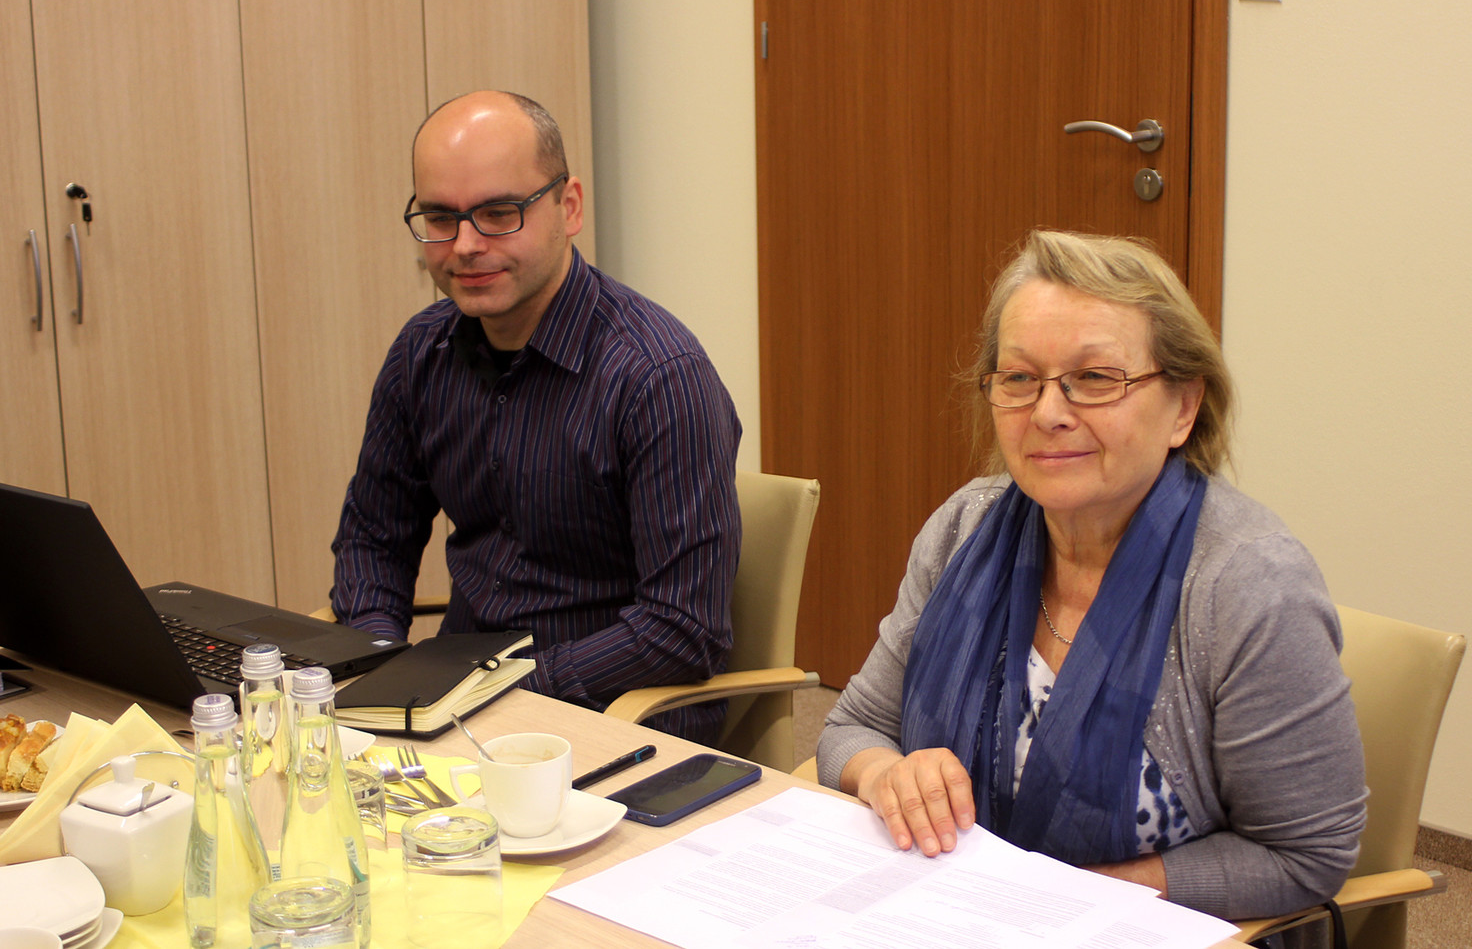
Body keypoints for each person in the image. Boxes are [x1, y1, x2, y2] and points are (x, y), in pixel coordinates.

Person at [818, 228, 1365, 924]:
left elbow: (1305, 855)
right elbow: (854, 726)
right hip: (954, 916)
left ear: (1184, 407)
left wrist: (1083, 900)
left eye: (1097, 378)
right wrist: (887, 774)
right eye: (1020, 379)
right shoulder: (963, 527)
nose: (1048, 413)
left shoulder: (1249, 587)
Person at [330, 91, 741, 744]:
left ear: (568, 207)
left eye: (499, 213)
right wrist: (376, 661)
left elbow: (682, 629)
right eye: (440, 218)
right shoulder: (421, 353)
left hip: (614, 720)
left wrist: (501, 690)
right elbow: (374, 538)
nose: (465, 245)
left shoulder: (657, 377)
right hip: (455, 708)